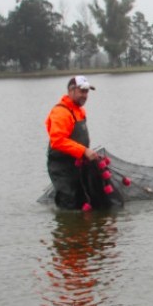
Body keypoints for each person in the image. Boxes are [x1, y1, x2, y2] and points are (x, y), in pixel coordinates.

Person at [45, 75, 100, 209]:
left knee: (82, 200)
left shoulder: (80, 111)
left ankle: (80, 228)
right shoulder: (61, 112)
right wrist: (84, 151)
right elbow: (57, 141)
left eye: (87, 92)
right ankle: (67, 227)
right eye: (82, 91)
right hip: (61, 166)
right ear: (71, 91)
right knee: (69, 201)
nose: (85, 95)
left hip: (77, 164)